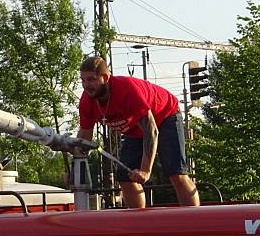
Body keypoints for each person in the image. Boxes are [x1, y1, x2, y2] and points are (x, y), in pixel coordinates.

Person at [77, 56, 200, 208]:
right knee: (125, 178)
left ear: (106, 77)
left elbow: (151, 130)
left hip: (165, 116)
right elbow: (83, 140)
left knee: (176, 172)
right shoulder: (87, 102)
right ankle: (141, 224)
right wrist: (75, 171)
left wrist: (145, 170)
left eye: (91, 79)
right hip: (135, 129)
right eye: (83, 80)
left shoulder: (126, 90)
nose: (86, 85)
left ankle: (194, 222)